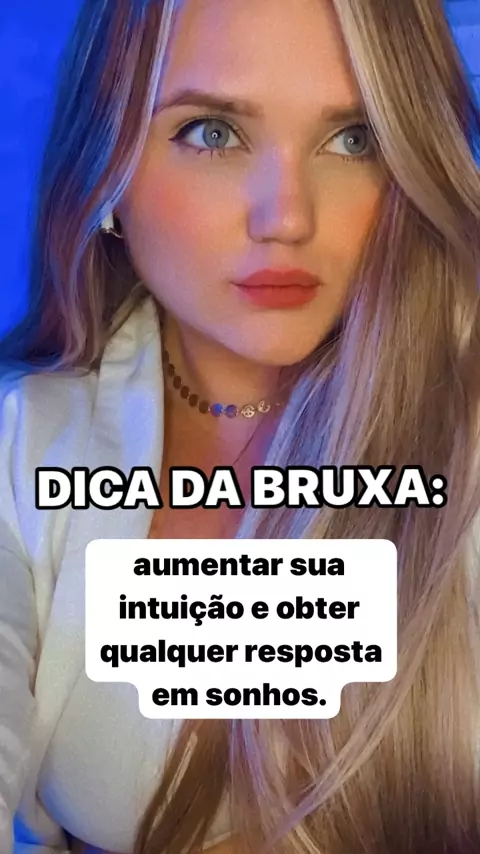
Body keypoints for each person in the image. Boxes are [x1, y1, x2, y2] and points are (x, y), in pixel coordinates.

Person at [0, 0, 479, 852]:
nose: (286, 217)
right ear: (106, 172)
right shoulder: (23, 440)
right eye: (213, 132)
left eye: (354, 138)